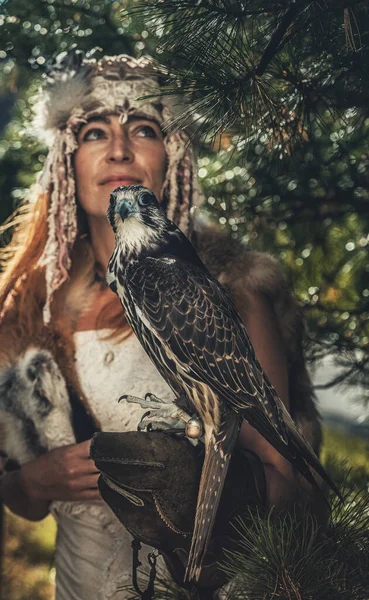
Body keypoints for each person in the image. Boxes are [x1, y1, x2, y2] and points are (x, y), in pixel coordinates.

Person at [0, 50, 322, 599]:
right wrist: (34, 480)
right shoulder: (26, 310)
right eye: (95, 131)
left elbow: (295, 488)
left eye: (143, 129)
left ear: (172, 157)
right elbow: (25, 502)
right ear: (66, 159)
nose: (120, 149)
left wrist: (203, 489)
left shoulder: (226, 291)